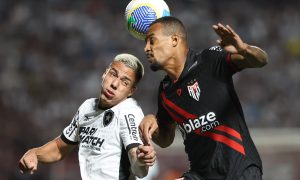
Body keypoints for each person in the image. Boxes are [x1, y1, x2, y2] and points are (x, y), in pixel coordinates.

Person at [139, 16, 268, 180]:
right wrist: (152, 122)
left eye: (151, 41)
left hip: (239, 171)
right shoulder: (165, 91)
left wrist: (243, 49)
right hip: (200, 175)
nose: (146, 48)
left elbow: (261, 61)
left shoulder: (209, 60)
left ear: (174, 40)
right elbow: (165, 139)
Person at [19, 53, 156, 180]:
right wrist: (34, 153)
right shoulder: (87, 107)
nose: (114, 84)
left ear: (131, 91)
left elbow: (139, 167)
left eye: (125, 82)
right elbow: (59, 148)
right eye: (113, 74)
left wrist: (142, 160)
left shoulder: (128, 112)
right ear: (105, 73)